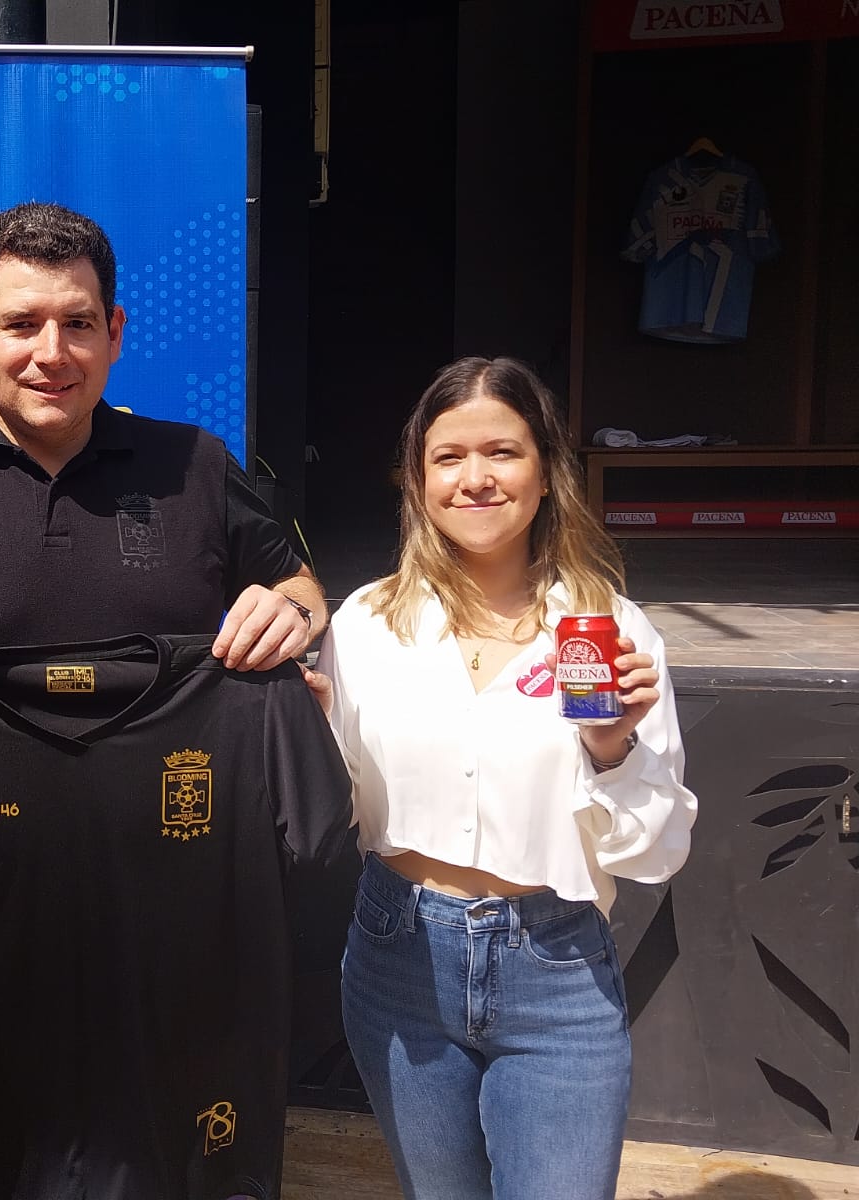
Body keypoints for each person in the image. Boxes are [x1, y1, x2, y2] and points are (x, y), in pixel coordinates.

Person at [317, 356, 697, 1200]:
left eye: (503, 452)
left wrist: (612, 750)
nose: (475, 478)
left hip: (557, 972)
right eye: (448, 457)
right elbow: (332, 808)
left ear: (546, 470)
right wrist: (298, 738)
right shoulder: (368, 625)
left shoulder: (607, 629)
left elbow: (657, 853)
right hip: (398, 959)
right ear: (418, 480)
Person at [0, 201, 324, 698]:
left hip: (171, 775)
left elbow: (297, 585)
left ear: (114, 333)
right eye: (21, 324)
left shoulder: (197, 463)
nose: (52, 353)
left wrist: (293, 611)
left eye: (77, 324)